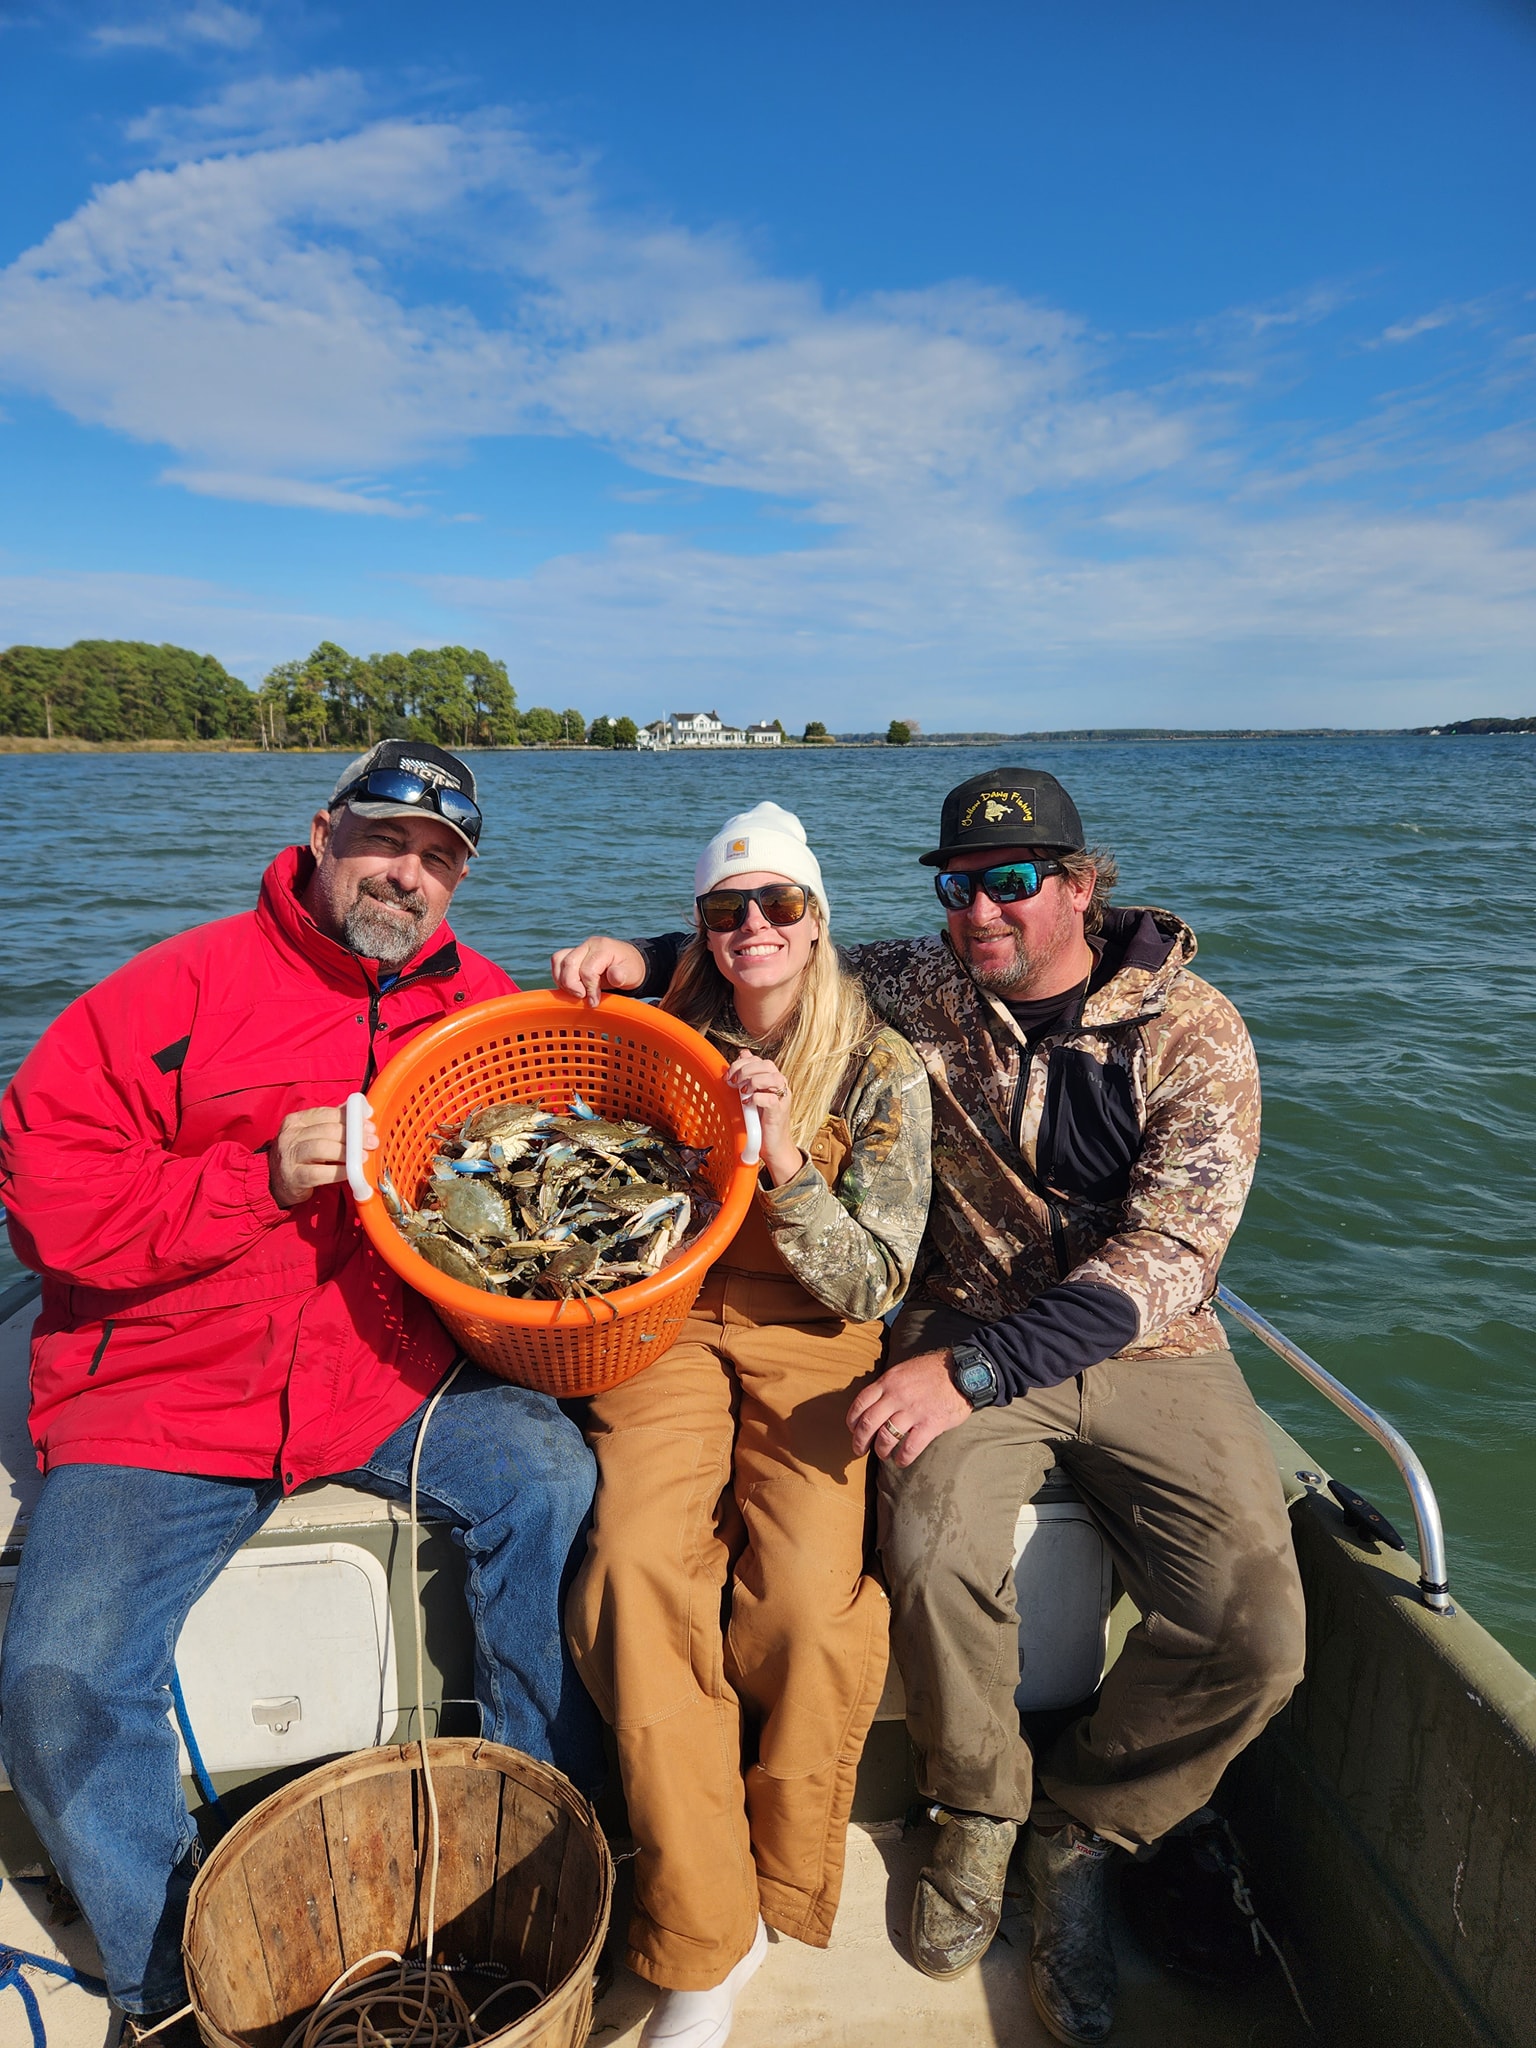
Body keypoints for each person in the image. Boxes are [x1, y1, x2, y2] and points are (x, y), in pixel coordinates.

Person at [551, 767, 1307, 2048]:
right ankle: (975, 1812)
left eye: (1012, 882)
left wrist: (967, 1372)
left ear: (1081, 884)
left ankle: (1082, 1826)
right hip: (966, 1316)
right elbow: (766, 947)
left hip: (1144, 1340)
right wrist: (646, 949)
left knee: (1255, 1625)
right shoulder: (923, 979)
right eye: (958, 885)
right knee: (932, 1544)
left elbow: (1170, 1257)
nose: (981, 910)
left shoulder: (1194, 1029)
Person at [0, 740, 602, 2038]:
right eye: (387, 841)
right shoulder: (176, 988)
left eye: (441, 858)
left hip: (382, 1382)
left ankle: (530, 1838)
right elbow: (47, 1201)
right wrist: (256, 1180)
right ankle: (164, 1979)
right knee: (56, 1673)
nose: (409, 873)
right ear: (325, 834)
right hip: (164, 1400)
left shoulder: (484, 1008)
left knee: (552, 1476)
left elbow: (568, 1153)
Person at [551, 802, 931, 2048]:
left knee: (807, 1608)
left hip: (814, 1332)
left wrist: (786, 1166)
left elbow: (872, 1281)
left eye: (778, 904)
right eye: (727, 910)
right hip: (668, 1312)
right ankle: (703, 1942)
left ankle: (776, 1888)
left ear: (819, 919)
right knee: (634, 1566)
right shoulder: (677, 1010)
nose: (752, 927)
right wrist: (626, 952)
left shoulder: (880, 1063)